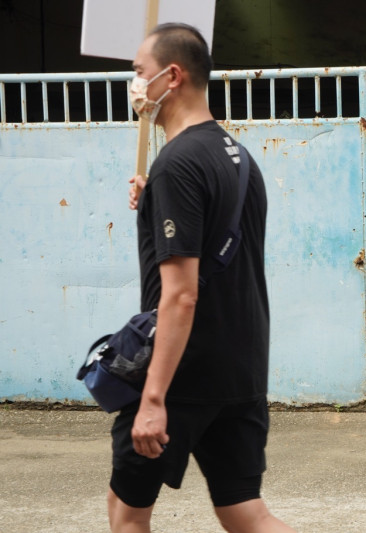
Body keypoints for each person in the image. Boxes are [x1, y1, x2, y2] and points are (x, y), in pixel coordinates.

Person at [112, 23, 294, 532]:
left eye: (139, 73)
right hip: (242, 368)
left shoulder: (178, 165)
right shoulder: (239, 160)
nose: (134, 85)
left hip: (183, 374)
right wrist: (155, 197)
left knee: (126, 513)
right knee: (244, 510)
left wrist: (152, 397)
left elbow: (183, 294)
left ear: (172, 76)